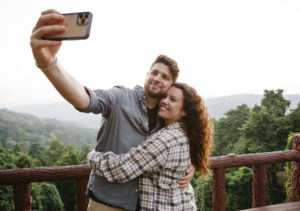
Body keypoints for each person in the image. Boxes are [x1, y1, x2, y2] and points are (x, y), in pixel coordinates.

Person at [30, 9, 195, 211]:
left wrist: (192, 165)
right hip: (107, 201)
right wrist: (49, 65)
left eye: (165, 77)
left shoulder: (167, 117)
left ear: (171, 84)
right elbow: (84, 98)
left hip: (143, 204)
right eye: (154, 72)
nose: (157, 79)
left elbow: (188, 141)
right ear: (147, 74)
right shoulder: (121, 97)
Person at [87, 83, 213, 210]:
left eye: (172, 99)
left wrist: (93, 156)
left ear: (184, 111)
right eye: (164, 97)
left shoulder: (165, 141)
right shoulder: (184, 133)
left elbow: (122, 169)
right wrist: (193, 164)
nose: (164, 101)